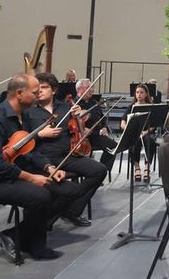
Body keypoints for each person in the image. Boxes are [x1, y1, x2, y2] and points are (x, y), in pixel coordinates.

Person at [0, 74, 83, 261]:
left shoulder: (23, 117)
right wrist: (31, 178)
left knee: (70, 190)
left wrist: (49, 167)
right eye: (35, 92)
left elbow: (28, 150)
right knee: (41, 195)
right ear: (19, 93)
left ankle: (17, 236)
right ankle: (33, 243)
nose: (38, 95)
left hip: (8, 172)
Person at [26, 72, 108, 227]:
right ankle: (51, 216)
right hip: (43, 159)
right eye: (37, 88)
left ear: (54, 90)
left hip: (68, 154)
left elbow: (79, 131)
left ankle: (71, 210)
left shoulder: (66, 108)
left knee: (99, 170)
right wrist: (40, 134)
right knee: (63, 189)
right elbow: (23, 142)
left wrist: (78, 116)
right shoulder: (29, 112)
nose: (39, 91)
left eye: (44, 87)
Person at [74, 78, 116, 168]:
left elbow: (102, 118)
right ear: (79, 89)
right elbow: (69, 122)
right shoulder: (73, 104)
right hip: (80, 138)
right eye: (88, 87)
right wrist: (81, 129)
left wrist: (104, 127)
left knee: (113, 146)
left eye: (92, 87)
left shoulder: (94, 102)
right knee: (78, 154)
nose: (92, 90)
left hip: (95, 135)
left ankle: (102, 169)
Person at [125, 82, 159, 179]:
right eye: (137, 92)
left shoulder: (150, 107)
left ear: (146, 94)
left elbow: (154, 125)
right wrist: (129, 129)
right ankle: (137, 167)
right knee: (133, 142)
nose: (139, 94)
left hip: (147, 132)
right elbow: (123, 123)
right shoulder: (132, 107)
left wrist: (145, 132)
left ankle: (147, 167)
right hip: (134, 133)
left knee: (150, 141)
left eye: (141, 92)